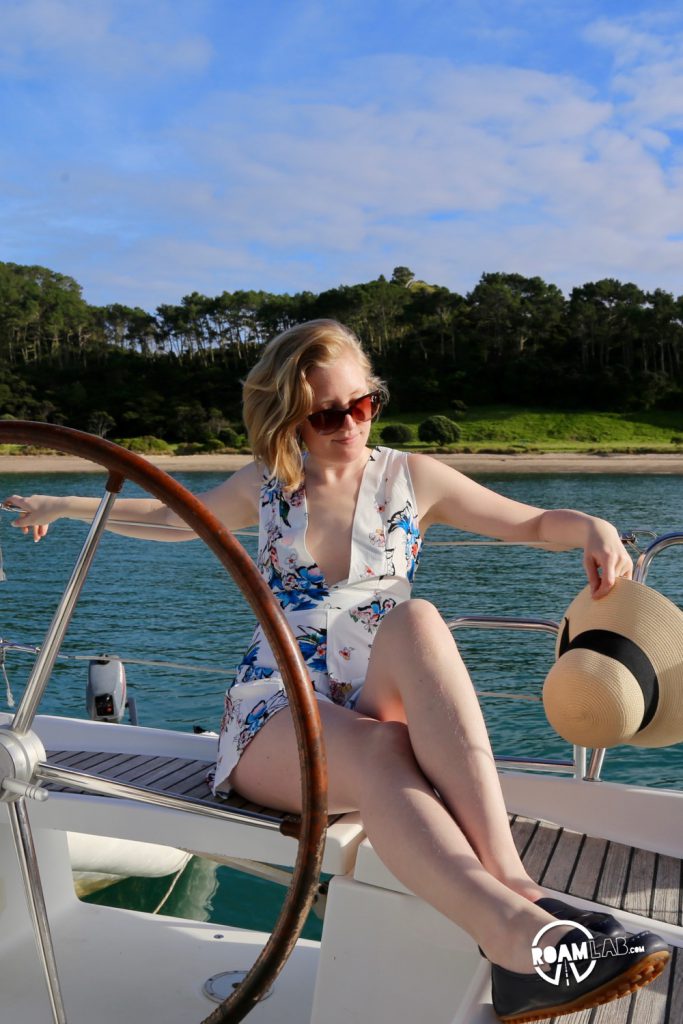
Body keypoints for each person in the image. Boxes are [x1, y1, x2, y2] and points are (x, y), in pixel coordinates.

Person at [5, 319, 669, 1022]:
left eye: (363, 404)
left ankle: (514, 885)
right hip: (276, 715)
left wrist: (592, 527)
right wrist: (65, 505)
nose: (350, 424)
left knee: (417, 619)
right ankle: (515, 945)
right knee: (379, 750)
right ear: (290, 416)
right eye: (327, 413)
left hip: (375, 697)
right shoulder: (265, 486)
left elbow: (530, 524)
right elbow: (168, 517)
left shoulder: (410, 478)